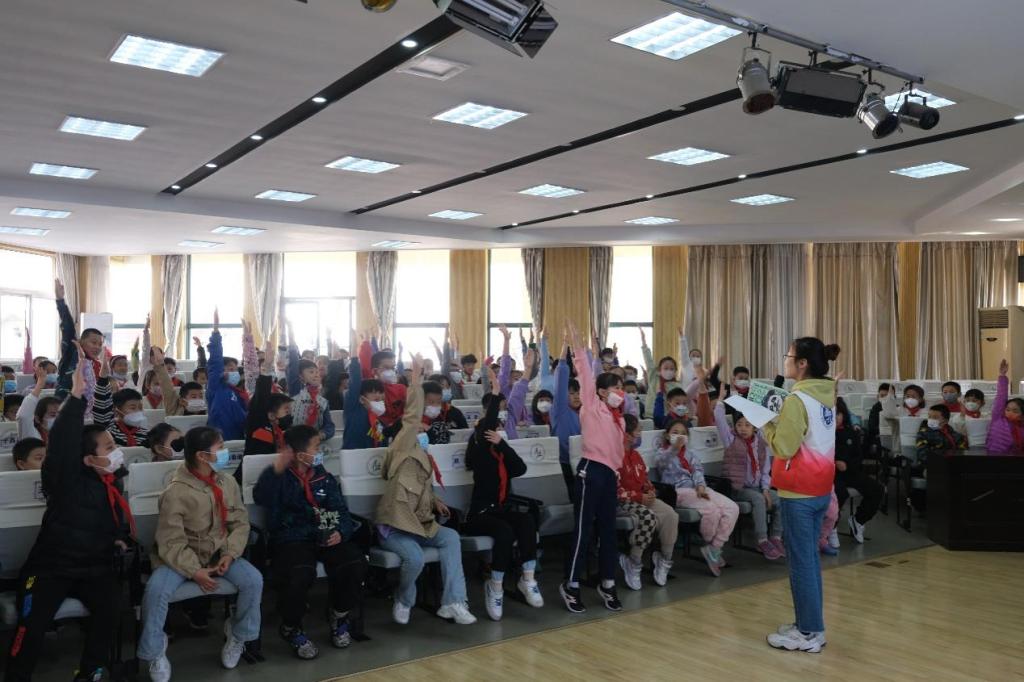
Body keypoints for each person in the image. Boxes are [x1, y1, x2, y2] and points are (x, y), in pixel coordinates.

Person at [5, 344, 130, 682]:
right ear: (88, 458)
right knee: (32, 624)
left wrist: (119, 538)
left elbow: (114, 519)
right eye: (109, 448)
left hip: (95, 566)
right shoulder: (65, 479)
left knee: (111, 610)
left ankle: (90, 672)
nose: (116, 453)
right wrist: (75, 397)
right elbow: (61, 444)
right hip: (51, 568)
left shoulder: (113, 481)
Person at [137, 426, 263, 682]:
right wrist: (195, 571)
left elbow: (239, 523)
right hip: (179, 558)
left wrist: (230, 554)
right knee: (156, 590)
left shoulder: (226, 482)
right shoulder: (176, 492)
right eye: (220, 448)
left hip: (219, 553)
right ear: (202, 456)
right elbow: (171, 541)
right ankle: (155, 650)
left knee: (253, 580)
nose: (225, 452)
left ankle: (238, 635)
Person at [375, 354, 476, 626]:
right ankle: (404, 598)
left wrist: (435, 500)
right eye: (418, 426)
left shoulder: (423, 455)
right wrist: (416, 380)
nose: (422, 428)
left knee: (451, 537)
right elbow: (410, 417)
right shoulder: (400, 449)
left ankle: (453, 601)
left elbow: (420, 487)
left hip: (420, 523)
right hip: (395, 527)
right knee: (415, 558)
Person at [254, 425, 368, 659]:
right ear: (299, 454)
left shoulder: (322, 475)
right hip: (292, 537)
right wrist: (276, 470)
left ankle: (339, 614)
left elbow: (340, 510)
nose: (320, 451)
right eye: (316, 447)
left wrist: (340, 532)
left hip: (325, 533)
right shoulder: (279, 477)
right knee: (299, 573)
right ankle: (291, 626)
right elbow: (262, 497)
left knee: (354, 562)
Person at [762, 338, 840, 654]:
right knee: (809, 560)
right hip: (821, 488)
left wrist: (765, 422)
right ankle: (810, 625)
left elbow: (784, 447)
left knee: (801, 563)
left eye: (789, 356)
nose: (785, 361)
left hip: (799, 491)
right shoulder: (826, 393)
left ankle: (808, 632)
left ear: (803, 363)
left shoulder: (797, 399)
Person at [462, 367, 542, 620]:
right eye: (492, 429)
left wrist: (503, 445)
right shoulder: (479, 452)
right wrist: (496, 393)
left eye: (497, 429)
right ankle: (495, 585)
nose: (495, 431)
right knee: (505, 531)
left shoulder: (500, 453)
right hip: (479, 514)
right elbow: (486, 423)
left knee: (526, 521)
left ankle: (527, 578)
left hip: (500, 510)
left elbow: (520, 468)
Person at [560, 320, 626, 615]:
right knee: (584, 529)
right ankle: (571, 584)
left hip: (609, 475)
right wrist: (579, 348)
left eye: (622, 387)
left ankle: (608, 582)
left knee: (609, 530)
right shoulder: (592, 405)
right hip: (590, 471)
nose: (620, 392)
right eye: (615, 388)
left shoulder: (617, 416)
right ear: (600, 392)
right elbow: (586, 375)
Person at [655, 417, 739, 577]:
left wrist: (700, 485)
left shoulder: (691, 454)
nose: (680, 436)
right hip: (678, 491)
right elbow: (662, 464)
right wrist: (674, 448)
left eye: (683, 433)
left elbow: (698, 470)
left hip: (697, 489)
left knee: (732, 508)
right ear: (667, 435)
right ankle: (709, 542)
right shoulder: (662, 452)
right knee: (712, 510)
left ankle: (714, 547)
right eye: (675, 432)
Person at [616, 414, 677, 590]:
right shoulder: (614, 456)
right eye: (638, 431)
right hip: (622, 503)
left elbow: (644, 479)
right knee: (648, 517)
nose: (640, 433)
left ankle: (664, 559)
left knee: (671, 515)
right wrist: (638, 496)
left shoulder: (635, 455)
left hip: (641, 498)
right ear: (627, 435)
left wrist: (650, 490)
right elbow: (615, 490)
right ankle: (634, 561)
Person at [717, 403, 783, 560]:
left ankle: (776, 537)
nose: (743, 428)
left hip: (757, 488)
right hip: (738, 488)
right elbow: (720, 421)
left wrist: (766, 489)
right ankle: (762, 540)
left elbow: (765, 470)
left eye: (747, 425)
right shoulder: (731, 440)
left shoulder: (760, 443)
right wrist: (719, 403)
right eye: (739, 424)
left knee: (781, 498)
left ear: (755, 427)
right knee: (758, 499)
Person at [833, 398, 884, 544]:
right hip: (831, 474)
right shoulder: (822, 434)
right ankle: (831, 527)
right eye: (832, 414)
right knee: (839, 493)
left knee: (877, 489)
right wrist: (835, 463)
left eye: (838, 414)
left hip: (850, 472)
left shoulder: (851, 432)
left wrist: (847, 465)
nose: (835, 418)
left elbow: (858, 456)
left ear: (844, 415)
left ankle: (858, 520)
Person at [206, 310, 248, 441]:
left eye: (235, 369)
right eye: (229, 368)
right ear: (221, 370)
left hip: (238, 439)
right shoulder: (215, 386)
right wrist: (216, 332)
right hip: (218, 440)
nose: (233, 372)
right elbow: (215, 360)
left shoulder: (239, 392)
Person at [342, 337, 387, 449]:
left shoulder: (377, 415)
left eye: (380, 392)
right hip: (352, 455)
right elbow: (355, 382)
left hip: (371, 456)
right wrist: (354, 358)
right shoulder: (354, 407)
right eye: (373, 392)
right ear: (361, 396)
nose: (378, 395)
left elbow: (380, 441)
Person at [551, 343, 582, 500]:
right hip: (563, 463)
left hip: (583, 462)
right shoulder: (560, 410)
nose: (577, 396)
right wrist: (563, 355)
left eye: (578, 393)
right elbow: (561, 381)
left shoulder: (584, 413)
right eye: (572, 393)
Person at [985, 359, 1023, 454]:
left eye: (1015, 411)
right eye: (1008, 409)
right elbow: (1001, 397)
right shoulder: (998, 418)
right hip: (992, 457)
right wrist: (1002, 376)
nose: (1010, 412)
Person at [16, 366, 60, 442]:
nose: (58, 419)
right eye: (52, 415)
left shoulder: (65, 435)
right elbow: (24, 416)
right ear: (37, 419)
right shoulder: (31, 435)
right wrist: (39, 384)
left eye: (60, 415)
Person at [422, 380, 468, 445]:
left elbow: (465, 434)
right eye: (431, 402)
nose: (435, 406)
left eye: (439, 402)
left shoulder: (454, 412)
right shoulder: (414, 419)